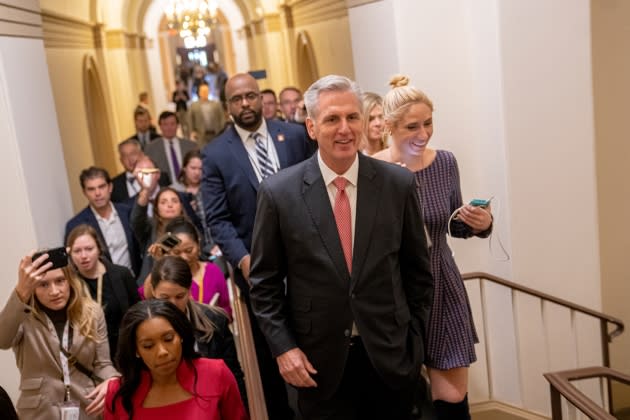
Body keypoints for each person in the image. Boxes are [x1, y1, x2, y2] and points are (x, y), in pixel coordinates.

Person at [249, 74, 434, 420]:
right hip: (316, 366)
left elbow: (418, 273)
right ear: (311, 126)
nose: (344, 128)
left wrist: (414, 342)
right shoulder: (278, 194)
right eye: (332, 119)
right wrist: (284, 348)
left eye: (352, 117)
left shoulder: (398, 184)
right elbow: (264, 286)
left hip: (391, 361)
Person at [374, 75, 493, 420]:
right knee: (402, 398)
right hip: (395, 292)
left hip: (443, 283)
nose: (423, 133)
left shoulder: (445, 162)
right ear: (389, 127)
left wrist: (479, 223)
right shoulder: (373, 170)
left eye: (428, 123)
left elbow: (453, 223)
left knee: (452, 398)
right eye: (412, 126)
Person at [201, 72, 315, 420]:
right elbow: (218, 219)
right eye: (237, 99)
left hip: (310, 264)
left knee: (316, 346)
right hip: (257, 274)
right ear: (228, 107)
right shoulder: (217, 154)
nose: (246, 104)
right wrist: (244, 260)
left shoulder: (296, 136)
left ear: (261, 98)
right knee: (274, 358)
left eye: (250, 96)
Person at [0, 251, 118, 419]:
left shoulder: (92, 313)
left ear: (69, 281)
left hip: (86, 408)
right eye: (43, 285)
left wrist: (113, 380)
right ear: (33, 287)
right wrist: (20, 292)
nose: (54, 291)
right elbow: (2, 340)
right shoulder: (22, 315)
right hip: (39, 412)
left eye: (60, 281)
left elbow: (102, 364)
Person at [104, 299, 247, 419]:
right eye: (148, 346)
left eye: (168, 339)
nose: (162, 352)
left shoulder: (216, 373)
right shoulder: (118, 393)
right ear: (136, 350)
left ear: (181, 336)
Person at [147, 256, 246, 404]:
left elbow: (233, 375)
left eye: (180, 296)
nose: (173, 305)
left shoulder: (214, 320)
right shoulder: (144, 326)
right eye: (165, 298)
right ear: (154, 291)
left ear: (189, 291)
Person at [67, 224, 139, 357]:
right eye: (77, 251)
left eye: (89, 249)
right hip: (90, 354)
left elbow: (138, 313)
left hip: (124, 350)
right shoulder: (69, 284)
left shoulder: (122, 274)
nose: (83, 255)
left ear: (99, 249)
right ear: (70, 254)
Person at [144, 217, 230, 317]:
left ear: (198, 244)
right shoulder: (165, 276)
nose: (184, 257)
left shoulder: (213, 271)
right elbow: (147, 297)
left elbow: (226, 310)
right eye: (176, 252)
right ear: (168, 251)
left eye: (189, 250)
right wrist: (161, 263)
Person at [65, 166, 141, 276]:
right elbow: (72, 264)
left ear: (110, 187)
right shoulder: (76, 224)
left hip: (133, 280)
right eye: (91, 189)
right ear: (84, 192)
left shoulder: (127, 213)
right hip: (101, 286)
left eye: (101, 187)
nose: (97, 193)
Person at [131, 184, 188, 284]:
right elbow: (136, 220)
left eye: (174, 201)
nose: (170, 205)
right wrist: (145, 191)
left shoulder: (189, 229)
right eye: (163, 202)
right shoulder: (149, 228)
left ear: (181, 206)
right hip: (152, 284)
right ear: (156, 208)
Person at [144, 111, 198, 189]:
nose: (169, 127)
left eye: (172, 124)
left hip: (189, 188)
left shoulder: (191, 146)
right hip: (164, 190)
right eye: (165, 124)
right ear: (160, 126)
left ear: (177, 126)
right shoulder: (150, 149)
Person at [111, 138, 144, 204]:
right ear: (121, 160)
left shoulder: (159, 177)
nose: (130, 159)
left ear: (141, 155)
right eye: (125, 156)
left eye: (133, 154)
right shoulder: (113, 185)